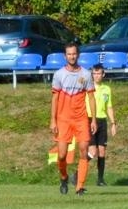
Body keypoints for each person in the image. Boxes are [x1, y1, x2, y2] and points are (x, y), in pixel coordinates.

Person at [49, 42, 95, 196]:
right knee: (62, 155)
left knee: (84, 150)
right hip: (63, 119)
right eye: (69, 54)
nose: (72, 56)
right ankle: (64, 177)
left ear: (78, 55)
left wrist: (93, 120)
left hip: (81, 119)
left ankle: (79, 186)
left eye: (74, 54)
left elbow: (91, 97)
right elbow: (55, 98)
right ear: (65, 56)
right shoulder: (59, 74)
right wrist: (53, 120)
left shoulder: (86, 74)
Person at [85, 62, 116, 185]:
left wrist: (113, 123)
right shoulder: (87, 88)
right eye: (94, 73)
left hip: (102, 121)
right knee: (93, 152)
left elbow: (109, 107)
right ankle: (77, 174)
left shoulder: (107, 89)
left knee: (102, 151)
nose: (96, 76)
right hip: (89, 120)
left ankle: (100, 179)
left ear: (103, 74)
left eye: (99, 73)